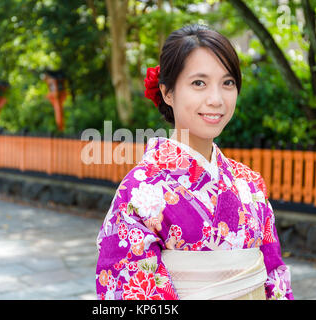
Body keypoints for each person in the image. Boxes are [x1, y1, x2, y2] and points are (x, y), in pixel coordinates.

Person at [95, 24, 293, 300]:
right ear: (167, 93)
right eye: (199, 83)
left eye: (228, 83)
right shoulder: (140, 192)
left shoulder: (249, 182)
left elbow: (275, 276)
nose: (216, 99)